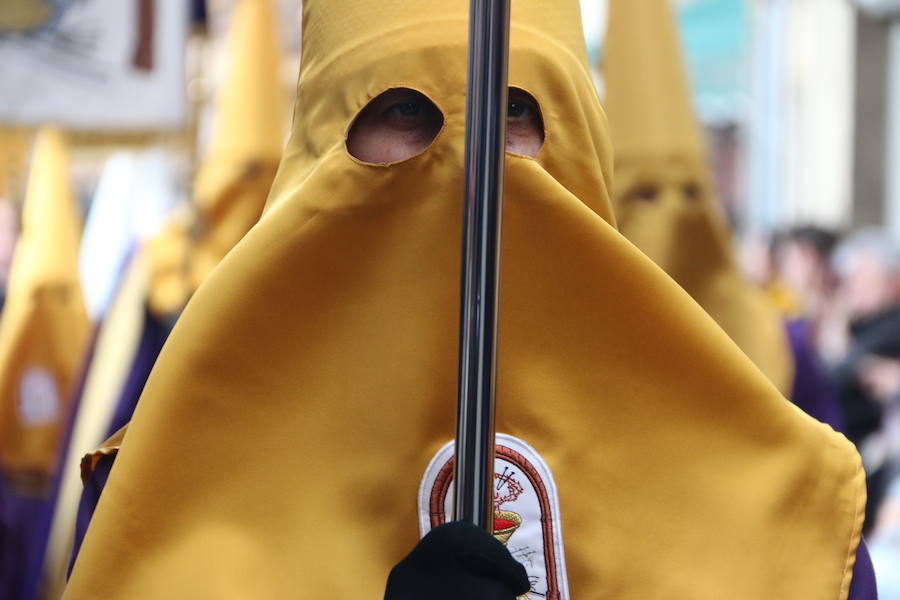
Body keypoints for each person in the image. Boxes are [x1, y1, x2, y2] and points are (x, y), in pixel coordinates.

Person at [65, 1, 870, 598]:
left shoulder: (778, 502)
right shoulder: (169, 486)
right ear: (319, 142)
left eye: (514, 109)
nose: (469, 151)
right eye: (405, 111)